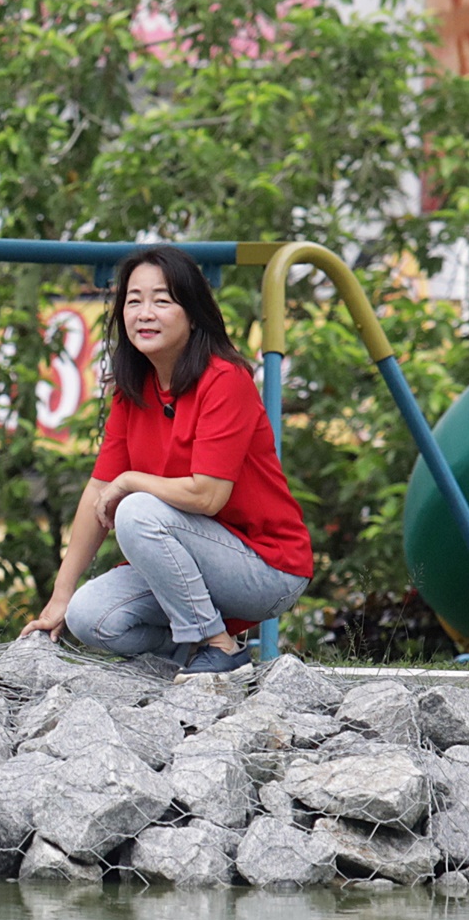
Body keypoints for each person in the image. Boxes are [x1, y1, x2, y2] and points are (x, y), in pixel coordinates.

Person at [22, 247, 312, 675]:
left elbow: (208, 495)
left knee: (137, 510)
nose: (144, 313)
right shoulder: (133, 388)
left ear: (193, 314)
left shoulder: (225, 379)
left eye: (162, 300)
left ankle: (218, 647)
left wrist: (129, 483)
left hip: (267, 568)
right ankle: (197, 649)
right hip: (193, 560)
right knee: (90, 617)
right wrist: (60, 596)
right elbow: (98, 490)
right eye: (133, 300)